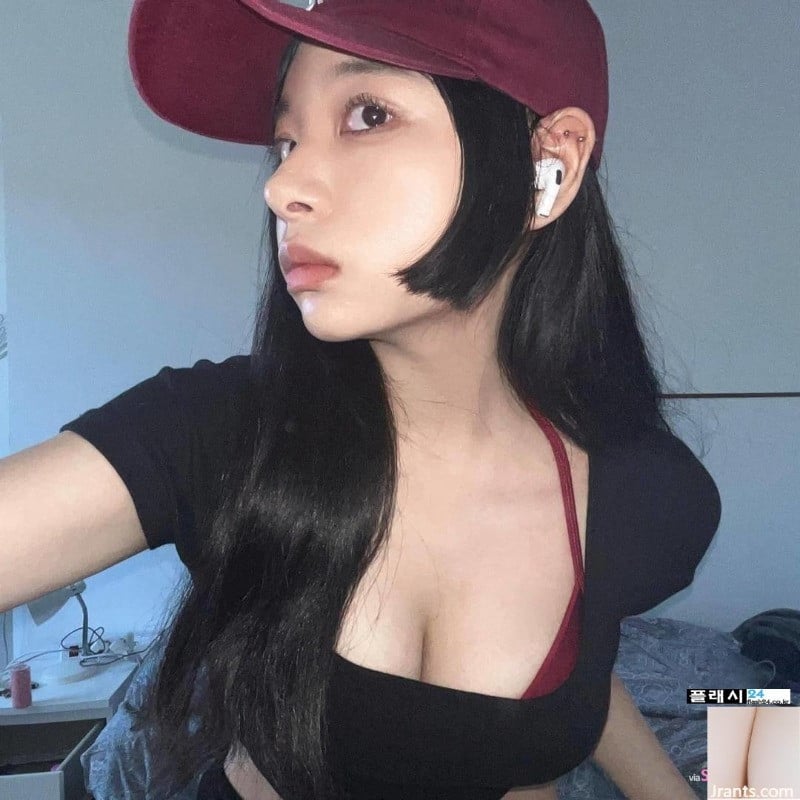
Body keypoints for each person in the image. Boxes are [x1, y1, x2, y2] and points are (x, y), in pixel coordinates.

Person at [0, 1, 722, 798]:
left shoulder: (648, 498)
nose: (282, 186)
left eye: (368, 115)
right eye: (286, 141)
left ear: (550, 163)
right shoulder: (230, 433)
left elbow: (575, 671)